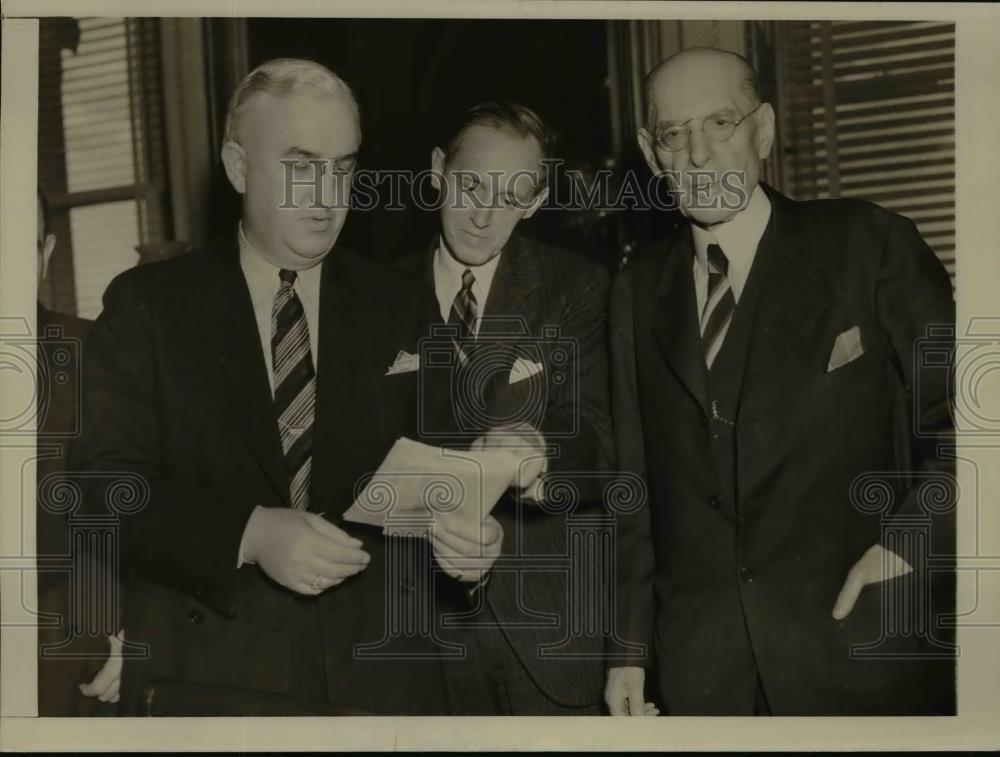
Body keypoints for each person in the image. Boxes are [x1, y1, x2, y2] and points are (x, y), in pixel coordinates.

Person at [72, 58, 450, 715]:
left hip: (380, 678)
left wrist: (470, 526)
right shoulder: (149, 306)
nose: (328, 196)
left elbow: (446, 466)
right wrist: (245, 533)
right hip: (214, 673)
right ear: (239, 166)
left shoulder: (402, 305)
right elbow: (102, 488)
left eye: (343, 167)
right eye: (302, 166)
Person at [605, 47, 955, 716]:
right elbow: (632, 486)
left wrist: (910, 544)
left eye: (721, 122)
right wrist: (627, 652)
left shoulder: (869, 244)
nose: (699, 154)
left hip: (862, 653)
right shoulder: (633, 291)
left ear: (763, 129)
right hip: (704, 678)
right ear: (653, 154)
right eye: (675, 134)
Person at [397, 102, 616, 715]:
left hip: (551, 637)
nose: (483, 213)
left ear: (537, 199)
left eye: (511, 192)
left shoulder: (579, 287)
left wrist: (541, 452)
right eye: (470, 184)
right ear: (439, 170)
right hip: (423, 640)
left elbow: (603, 440)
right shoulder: (375, 295)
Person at [35, 189, 124, 715]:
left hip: (73, 656)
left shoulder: (103, 356)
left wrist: (128, 633)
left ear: (45, 255)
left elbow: (145, 508)